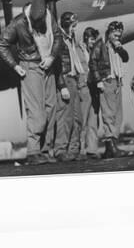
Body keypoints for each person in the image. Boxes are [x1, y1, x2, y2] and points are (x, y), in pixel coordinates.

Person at [0, 0, 62, 165]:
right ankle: (33, 152)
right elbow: (1, 43)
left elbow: (58, 36)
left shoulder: (48, 16)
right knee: (37, 113)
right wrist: (15, 66)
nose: (40, 27)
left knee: (51, 109)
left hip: (48, 65)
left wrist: (52, 57)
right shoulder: (19, 23)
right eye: (37, 24)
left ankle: (45, 150)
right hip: (30, 68)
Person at [53, 12, 91, 161]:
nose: (75, 28)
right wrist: (61, 85)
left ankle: (73, 149)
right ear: (67, 24)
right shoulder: (59, 39)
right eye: (73, 25)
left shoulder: (72, 38)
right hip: (66, 79)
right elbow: (56, 64)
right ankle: (60, 150)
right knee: (65, 117)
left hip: (75, 79)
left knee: (78, 118)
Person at [88, 21, 129, 159]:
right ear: (109, 33)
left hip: (118, 81)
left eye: (119, 35)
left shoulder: (118, 46)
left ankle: (111, 147)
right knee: (109, 114)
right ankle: (110, 145)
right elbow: (92, 62)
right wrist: (98, 80)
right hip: (107, 80)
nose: (118, 37)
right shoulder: (100, 45)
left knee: (118, 114)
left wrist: (120, 48)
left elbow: (126, 58)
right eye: (115, 34)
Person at [80, 27, 101, 159]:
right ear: (86, 38)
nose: (94, 42)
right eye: (92, 39)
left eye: (95, 40)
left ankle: (92, 149)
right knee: (82, 120)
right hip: (84, 87)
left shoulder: (96, 52)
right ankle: (80, 149)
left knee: (93, 120)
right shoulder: (78, 50)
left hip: (94, 88)